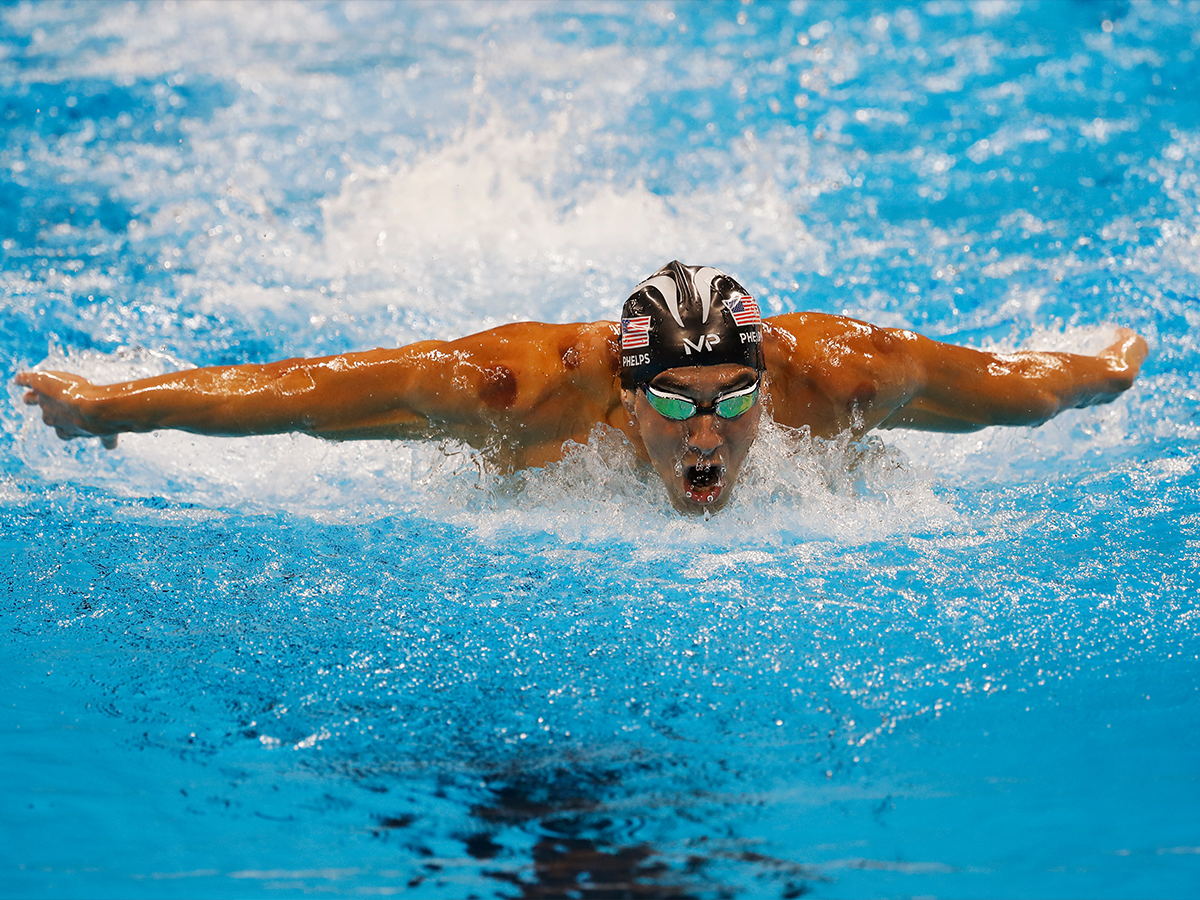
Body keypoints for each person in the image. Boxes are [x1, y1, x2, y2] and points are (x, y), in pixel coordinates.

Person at [16, 260, 1148, 515]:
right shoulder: (514, 393)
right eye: (675, 402)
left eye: (732, 399)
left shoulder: (840, 380)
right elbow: (302, 393)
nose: (707, 433)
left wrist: (1107, 368)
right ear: (624, 388)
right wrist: (115, 407)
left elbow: (1023, 387)